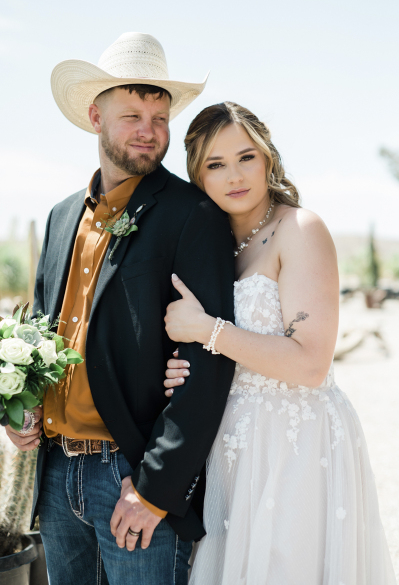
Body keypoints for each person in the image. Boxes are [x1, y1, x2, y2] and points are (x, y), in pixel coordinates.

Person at [4, 33, 236, 585]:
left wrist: (156, 489)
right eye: (132, 114)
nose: (149, 131)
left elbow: (207, 361)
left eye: (160, 117)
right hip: (57, 474)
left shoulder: (192, 215)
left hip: (131, 475)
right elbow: (41, 330)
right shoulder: (62, 217)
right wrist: (22, 407)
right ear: (94, 117)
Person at [163, 102, 397, 584]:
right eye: (215, 164)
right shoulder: (212, 245)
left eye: (246, 157)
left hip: (297, 445)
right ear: (197, 175)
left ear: (268, 158)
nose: (234, 176)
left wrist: (204, 330)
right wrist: (182, 365)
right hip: (231, 446)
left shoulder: (300, 230)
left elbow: (311, 362)